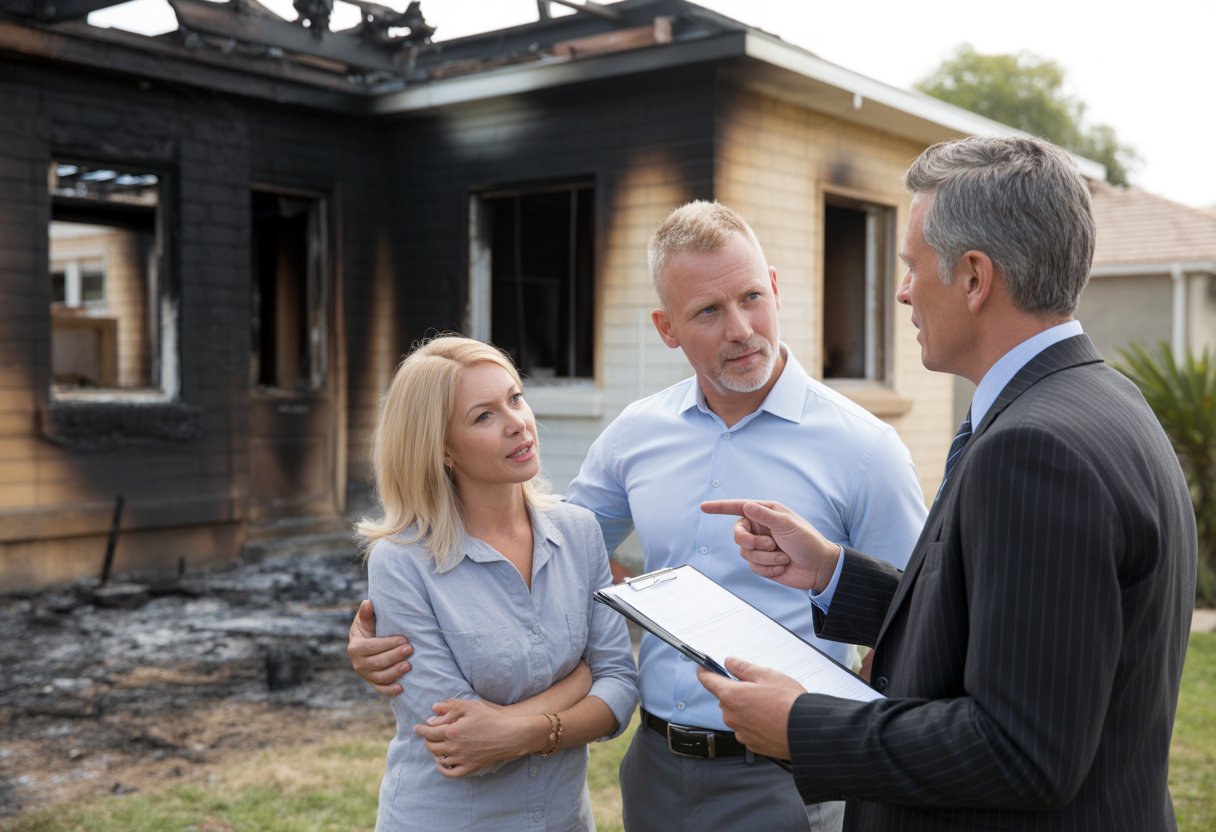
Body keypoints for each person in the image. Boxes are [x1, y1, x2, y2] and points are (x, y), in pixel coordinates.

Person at [350, 201, 928, 832]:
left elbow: (920, 621)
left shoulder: (865, 449)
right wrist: (387, 635)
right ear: (666, 327)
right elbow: (537, 554)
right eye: (708, 310)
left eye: (752, 296)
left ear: (777, 291)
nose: (740, 328)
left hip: (790, 780)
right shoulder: (635, 435)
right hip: (657, 772)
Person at [698, 136, 1197, 831]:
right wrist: (834, 573)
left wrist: (801, 727)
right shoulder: (1101, 399)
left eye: (911, 265)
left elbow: (1023, 750)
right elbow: (1014, 633)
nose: (902, 289)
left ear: (973, 277)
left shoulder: (1033, 448)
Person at [358, 335, 637, 831]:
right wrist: (578, 682)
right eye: (483, 416)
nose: (518, 424)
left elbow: (618, 688)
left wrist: (521, 730)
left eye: (515, 398)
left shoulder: (580, 534)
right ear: (442, 449)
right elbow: (460, 741)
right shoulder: (401, 562)